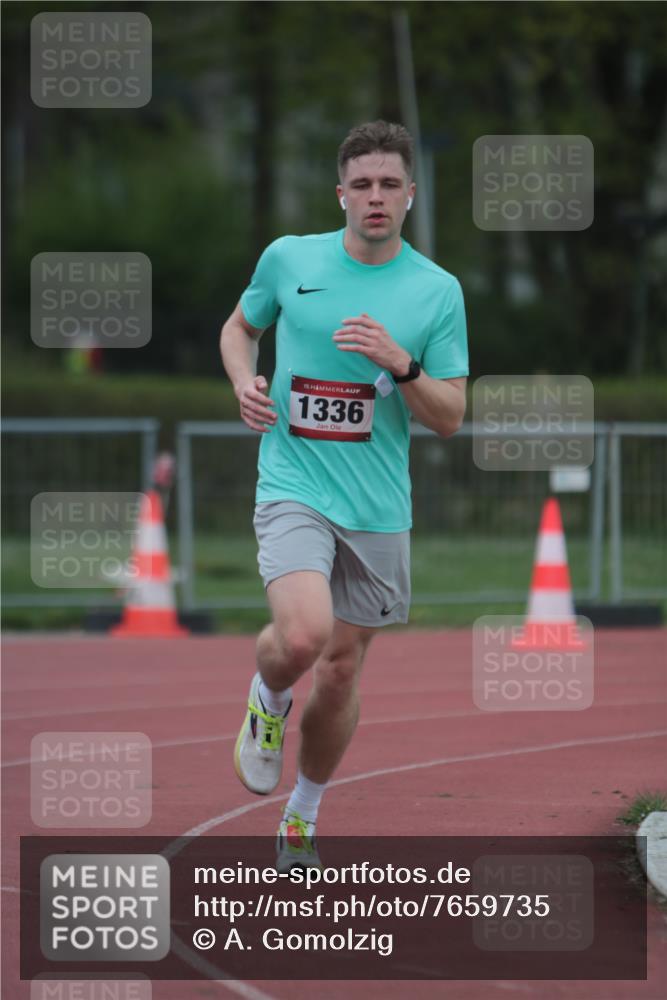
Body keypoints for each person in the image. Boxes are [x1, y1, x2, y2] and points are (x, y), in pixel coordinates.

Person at [220, 120, 468, 871]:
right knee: (301, 639)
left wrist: (401, 365)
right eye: (361, 185)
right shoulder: (289, 258)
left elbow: (450, 417)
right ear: (340, 194)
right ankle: (267, 699)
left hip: (377, 505)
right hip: (293, 481)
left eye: (389, 184)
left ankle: (303, 812)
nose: (375, 197)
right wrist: (243, 383)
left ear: (410, 196)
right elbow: (240, 328)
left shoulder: (435, 292)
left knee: (339, 668)